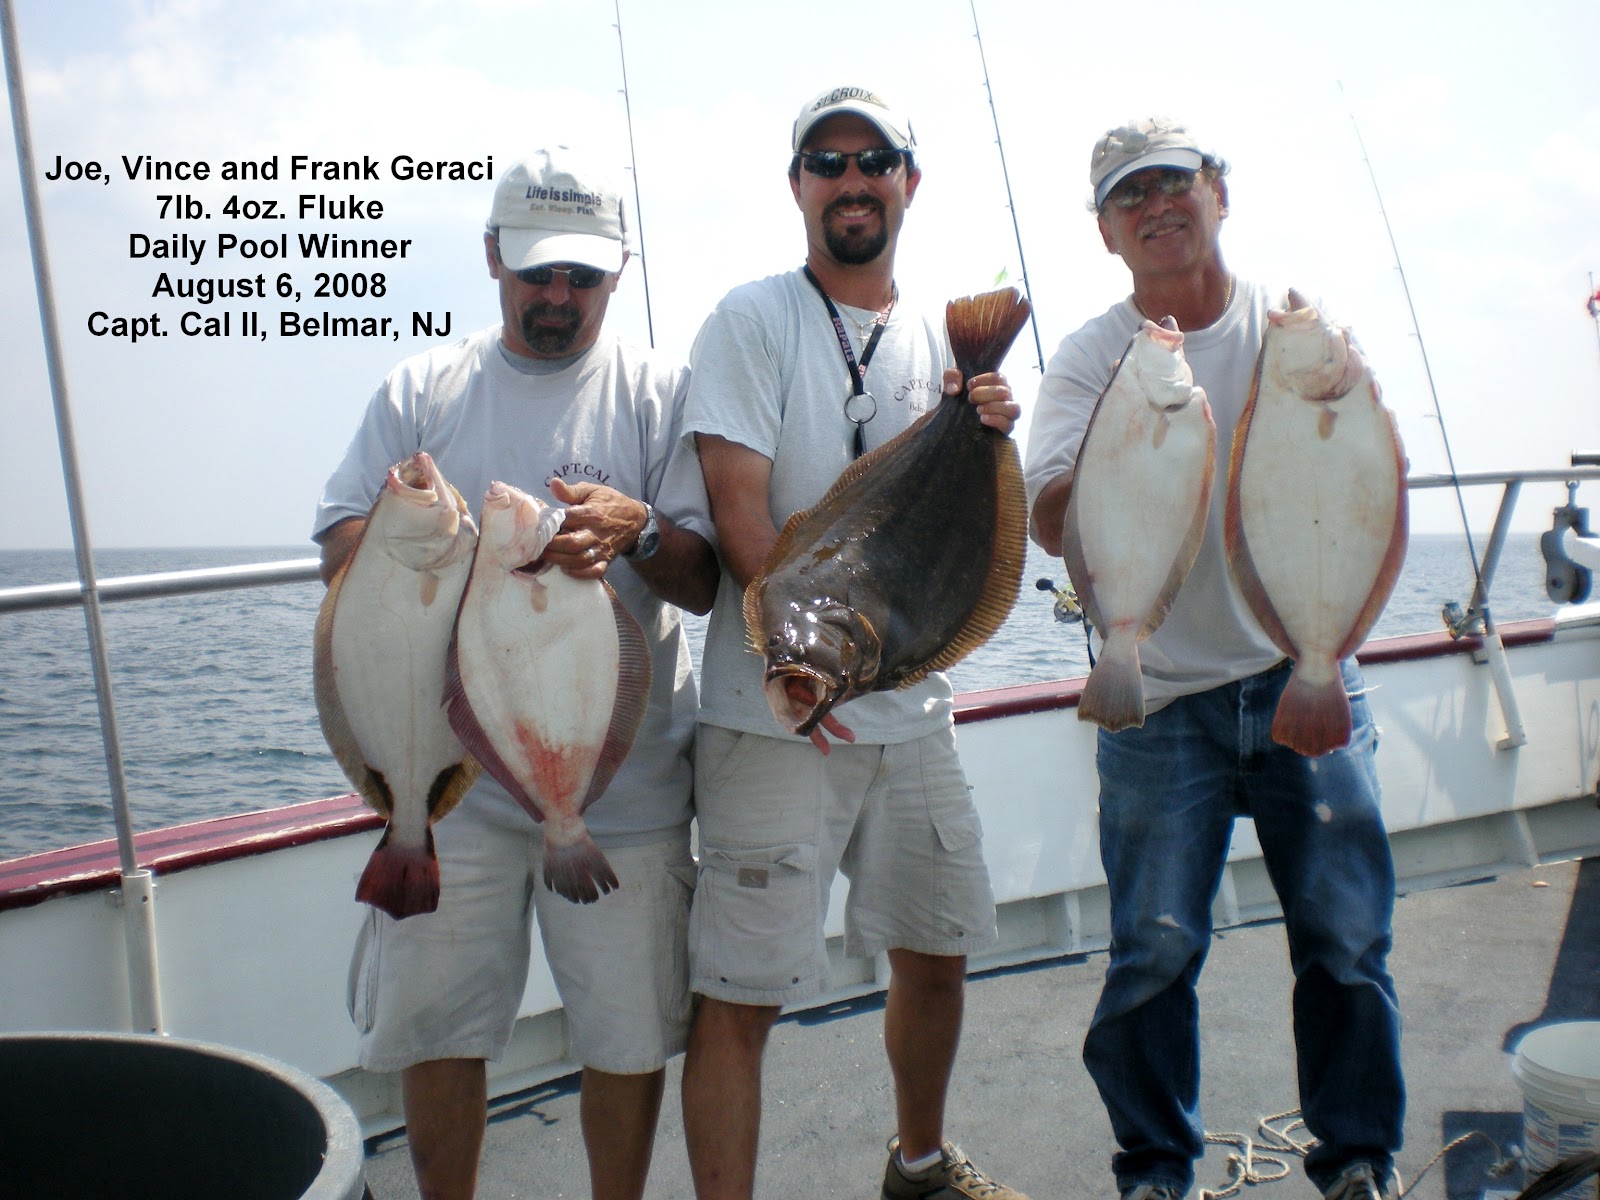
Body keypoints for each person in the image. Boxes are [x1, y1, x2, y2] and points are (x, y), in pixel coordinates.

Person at [312, 146, 718, 1200]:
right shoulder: (423, 389)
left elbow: (708, 577)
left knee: (624, 1035)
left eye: (581, 277)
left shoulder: (661, 392)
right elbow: (340, 538)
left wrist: (634, 533)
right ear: (491, 257)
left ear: (617, 272)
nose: (556, 297)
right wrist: (439, 543)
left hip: (616, 787)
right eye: (536, 272)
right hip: (451, 784)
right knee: (442, 1026)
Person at [1024, 118, 1405, 1200]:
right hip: (1159, 699)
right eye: (1127, 196)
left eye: (1172, 183)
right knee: (1151, 948)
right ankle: (1154, 1168)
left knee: (1343, 938)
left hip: (1304, 669)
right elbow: (1053, 520)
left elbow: (1361, 493)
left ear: (1218, 193)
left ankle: (1358, 1158)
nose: (1155, 206)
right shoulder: (1096, 359)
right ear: (1105, 232)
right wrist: (1117, 438)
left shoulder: (1295, 338)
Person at [679, 84, 1029, 1200]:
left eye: (874, 158)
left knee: (934, 947)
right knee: (740, 990)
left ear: (907, 183)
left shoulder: (941, 338)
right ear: (798, 188)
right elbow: (738, 509)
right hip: (773, 719)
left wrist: (986, 436)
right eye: (826, 162)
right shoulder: (749, 320)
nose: (852, 178)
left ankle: (918, 1162)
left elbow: (964, 535)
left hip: (912, 713)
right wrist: (803, 658)